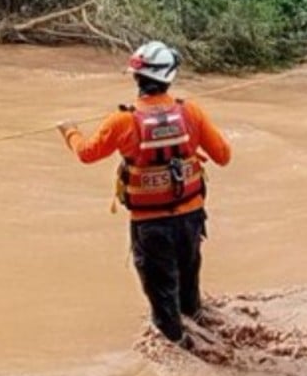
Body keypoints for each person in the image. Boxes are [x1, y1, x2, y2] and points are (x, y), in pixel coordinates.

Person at [56, 41, 231, 348]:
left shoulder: (122, 121)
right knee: (188, 286)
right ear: (169, 76)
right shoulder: (191, 111)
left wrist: (68, 131)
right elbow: (223, 155)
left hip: (151, 226)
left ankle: (185, 364)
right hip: (191, 218)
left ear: (136, 77)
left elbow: (86, 154)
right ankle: (199, 328)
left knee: (163, 302)